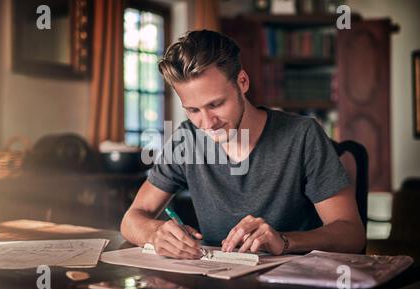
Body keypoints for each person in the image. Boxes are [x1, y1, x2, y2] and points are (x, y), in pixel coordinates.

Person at [120, 30, 365, 259]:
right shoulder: (186, 139)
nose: (207, 123)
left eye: (216, 104)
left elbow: (352, 234)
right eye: (193, 110)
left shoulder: (303, 135)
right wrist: (155, 233)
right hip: (216, 285)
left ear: (243, 81)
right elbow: (131, 219)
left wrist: (284, 240)